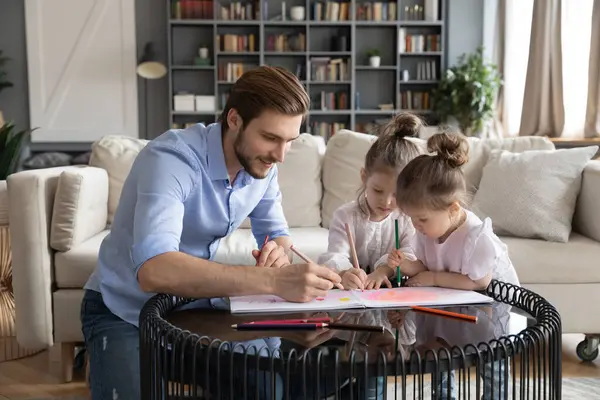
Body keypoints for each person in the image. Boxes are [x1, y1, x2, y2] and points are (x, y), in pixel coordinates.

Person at [80, 66, 342, 400]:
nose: (280, 155)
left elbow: (276, 233)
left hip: (196, 307)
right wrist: (274, 281)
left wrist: (277, 250)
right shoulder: (172, 159)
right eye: (271, 138)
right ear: (234, 120)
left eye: (290, 141)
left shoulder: (263, 165)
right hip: (123, 310)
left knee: (266, 390)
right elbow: (154, 270)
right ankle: (100, 354)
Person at [388, 130, 520, 399]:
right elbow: (426, 263)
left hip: (486, 305)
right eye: (412, 219)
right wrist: (408, 265)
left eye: (422, 219)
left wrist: (434, 278)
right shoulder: (427, 231)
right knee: (441, 349)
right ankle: (443, 393)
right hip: (451, 299)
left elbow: (479, 282)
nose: (416, 226)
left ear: (453, 209)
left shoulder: (476, 238)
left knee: (490, 356)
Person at [317, 113, 423, 291]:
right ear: (364, 177)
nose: (387, 201)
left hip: (392, 297)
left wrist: (384, 271)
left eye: (397, 194)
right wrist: (345, 274)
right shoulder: (345, 216)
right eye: (378, 190)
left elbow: (411, 255)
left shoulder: (407, 219)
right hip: (354, 296)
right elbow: (336, 254)